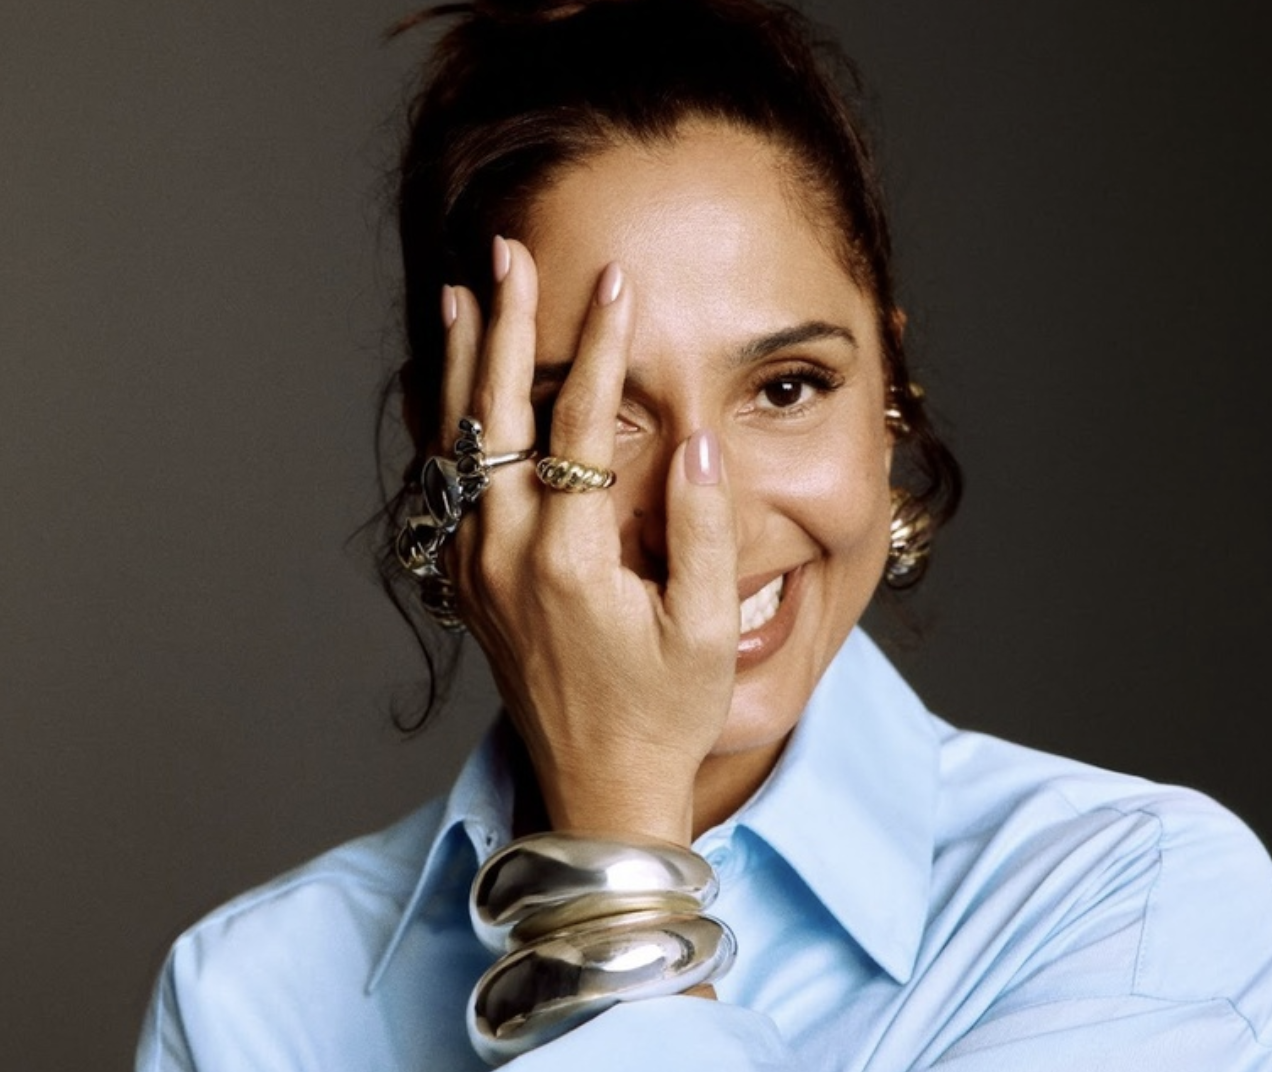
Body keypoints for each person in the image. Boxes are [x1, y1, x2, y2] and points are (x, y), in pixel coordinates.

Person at [136, 0, 1272, 1068]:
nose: (703, 516)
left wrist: (616, 836)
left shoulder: (1141, 902)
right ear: (455, 450)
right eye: (583, 416)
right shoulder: (253, 1001)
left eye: (786, 387)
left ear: (891, 392)